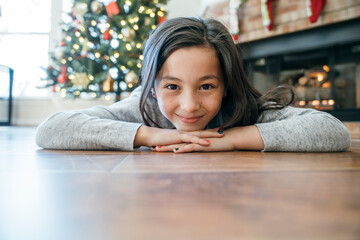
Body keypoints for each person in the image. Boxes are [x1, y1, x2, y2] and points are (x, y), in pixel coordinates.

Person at [36, 17, 351, 153]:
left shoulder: (241, 108)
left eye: (206, 86)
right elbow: (51, 129)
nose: (189, 106)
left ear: (226, 86)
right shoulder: (143, 108)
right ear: (152, 86)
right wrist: (150, 134)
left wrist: (227, 139)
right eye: (172, 87)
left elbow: (332, 130)